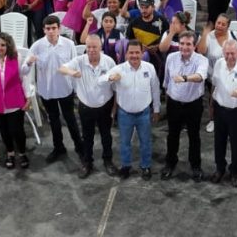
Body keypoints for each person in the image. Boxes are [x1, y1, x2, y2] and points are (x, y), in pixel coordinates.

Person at [58, 34, 118, 178]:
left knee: (106, 136)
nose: (91, 50)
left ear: (100, 47)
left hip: (105, 106)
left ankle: (108, 160)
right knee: (87, 136)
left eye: (94, 47)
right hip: (85, 106)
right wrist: (73, 72)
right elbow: (61, 68)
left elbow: (116, 87)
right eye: (88, 47)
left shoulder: (109, 62)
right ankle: (87, 162)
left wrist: (114, 108)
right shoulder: (79, 61)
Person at [102, 40, 161, 180]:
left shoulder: (149, 68)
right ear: (126, 54)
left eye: (137, 52)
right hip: (125, 114)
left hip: (144, 113)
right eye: (131, 53)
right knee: (124, 142)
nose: (134, 55)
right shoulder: (118, 69)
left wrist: (157, 109)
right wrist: (110, 77)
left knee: (145, 142)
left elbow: (155, 89)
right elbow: (101, 79)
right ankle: (126, 166)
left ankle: (146, 166)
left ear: (142, 53)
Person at [28, 15, 82, 163]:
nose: (51, 31)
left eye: (54, 28)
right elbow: (26, 68)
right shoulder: (37, 46)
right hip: (47, 90)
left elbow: (75, 65)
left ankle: (79, 147)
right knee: (53, 120)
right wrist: (28, 63)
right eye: (48, 28)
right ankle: (58, 147)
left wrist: (76, 87)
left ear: (59, 29)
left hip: (65, 89)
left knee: (70, 119)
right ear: (43, 30)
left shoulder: (69, 44)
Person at [161, 29, 209, 181]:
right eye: (182, 43)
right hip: (174, 104)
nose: (184, 47)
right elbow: (167, 81)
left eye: (188, 44)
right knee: (172, 135)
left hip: (193, 105)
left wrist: (184, 78)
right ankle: (170, 163)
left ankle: (195, 166)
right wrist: (168, 100)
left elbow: (200, 76)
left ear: (194, 46)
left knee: (194, 136)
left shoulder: (202, 60)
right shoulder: (171, 58)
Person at [209, 39, 237, 187]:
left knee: (236, 144)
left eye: (233, 53)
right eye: (227, 53)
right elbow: (214, 85)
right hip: (220, 109)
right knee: (219, 142)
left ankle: (234, 171)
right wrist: (211, 105)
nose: (229, 57)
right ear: (223, 53)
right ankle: (220, 169)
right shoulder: (219, 64)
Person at [0, 33, 31, 169]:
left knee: (17, 130)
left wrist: (28, 97)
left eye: (3, 45)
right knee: (4, 131)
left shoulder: (16, 58)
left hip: (15, 101)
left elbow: (24, 78)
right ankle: (10, 153)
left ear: (8, 46)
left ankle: (22, 153)